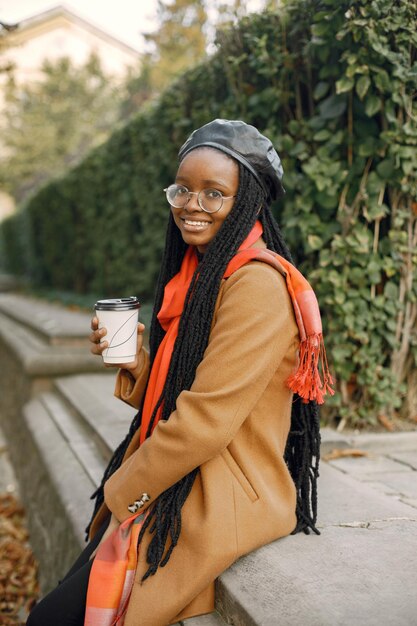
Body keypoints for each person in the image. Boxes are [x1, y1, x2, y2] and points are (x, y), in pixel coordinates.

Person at [26, 119, 333, 626]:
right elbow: (181, 392)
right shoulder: (199, 272)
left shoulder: (256, 285)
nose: (192, 204)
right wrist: (134, 362)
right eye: (183, 189)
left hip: (219, 492)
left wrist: (122, 491)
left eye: (214, 193)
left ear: (248, 203)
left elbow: (205, 421)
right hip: (181, 475)